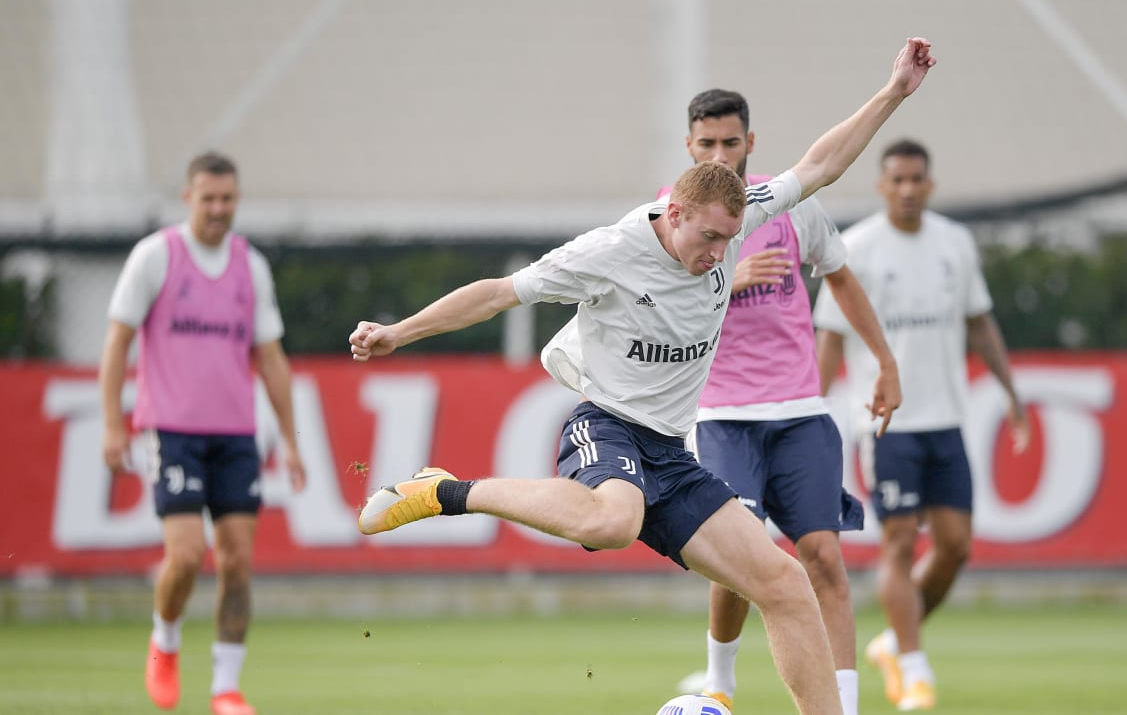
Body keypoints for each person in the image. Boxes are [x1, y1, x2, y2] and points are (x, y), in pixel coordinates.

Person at [350, 38, 936, 715]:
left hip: (670, 450)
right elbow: (496, 293)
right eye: (708, 240)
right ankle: (450, 491)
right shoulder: (610, 251)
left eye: (729, 240)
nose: (719, 256)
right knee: (613, 521)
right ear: (675, 212)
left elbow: (823, 163)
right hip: (608, 426)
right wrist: (398, 332)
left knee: (784, 582)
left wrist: (895, 90)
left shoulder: (740, 217)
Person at [664, 88, 901, 715]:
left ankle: (843, 707)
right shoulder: (672, 221)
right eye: (707, 143)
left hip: (799, 411)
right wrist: (723, 278)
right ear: (689, 147)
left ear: (750, 143)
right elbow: (652, 316)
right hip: (721, 416)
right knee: (738, 559)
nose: (720, 152)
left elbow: (842, 279)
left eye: (730, 142)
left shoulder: (790, 207)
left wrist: (884, 361)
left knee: (823, 557)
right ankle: (720, 682)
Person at [813, 138, 1029, 712]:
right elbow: (829, 338)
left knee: (956, 546)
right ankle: (913, 667)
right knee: (901, 543)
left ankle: (894, 643)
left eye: (917, 179)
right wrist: (809, 411)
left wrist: (1012, 393)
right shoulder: (854, 247)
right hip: (886, 422)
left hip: (947, 419)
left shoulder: (954, 243)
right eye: (897, 180)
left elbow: (980, 324)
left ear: (930, 184)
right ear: (882, 186)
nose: (908, 189)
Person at [100, 152, 306, 715]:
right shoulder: (155, 258)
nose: (218, 209)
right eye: (208, 198)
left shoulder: (250, 267)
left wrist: (289, 441)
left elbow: (271, 359)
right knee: (187, 555)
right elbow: (117, 341)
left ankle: (226, 688)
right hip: (172, 430)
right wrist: (113, 423)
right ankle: (164, 640)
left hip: (236, 434)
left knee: (237, 561)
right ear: (188, 197)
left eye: (228, 199)